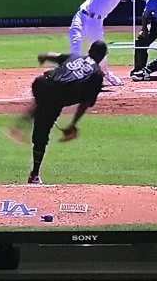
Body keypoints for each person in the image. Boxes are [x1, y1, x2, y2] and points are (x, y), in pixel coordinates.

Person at [7, 41, 108, 185]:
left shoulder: (75, 57)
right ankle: (34, 174)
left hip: (40, 84)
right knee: (42, 132)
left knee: (43, 106)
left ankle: (23, 123)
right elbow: (84, 104)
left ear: (90, 50)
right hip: (55, 97)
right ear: (102, 56)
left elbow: (53, 56)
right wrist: (72, 124)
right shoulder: (97, 75)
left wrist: (43, 57)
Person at [68, 0, 133, 86]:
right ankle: (73, 73)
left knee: (98, 50)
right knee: (75, 41)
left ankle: (106, 74)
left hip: (95, 22)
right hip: (81, 14)